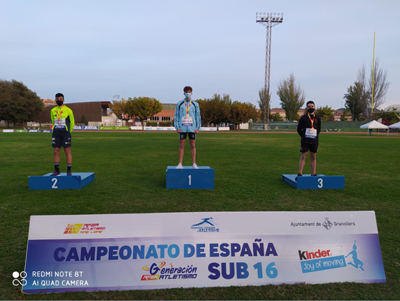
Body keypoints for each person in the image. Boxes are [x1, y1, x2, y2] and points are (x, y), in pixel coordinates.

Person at [174, 86, 201, 169]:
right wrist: (177, 127)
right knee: (181, 145)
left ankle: (193, 163)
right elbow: (176, 116)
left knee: (193, 145)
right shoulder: (180, 104)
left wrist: (197, 127)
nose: (187, 93)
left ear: (191, 93)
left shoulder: (195, 104)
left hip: (192, 128)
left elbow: (198, 116)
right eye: (186, 92)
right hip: (182, 128)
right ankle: (180, 163)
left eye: (189, 92)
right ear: (184, 93)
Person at [51, 93, 75, 176]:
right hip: (56, 132)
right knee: (56, 151)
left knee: (67, 150)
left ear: (63, 100)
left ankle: (69, 170)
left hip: (65, 133)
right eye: (57, 99)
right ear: (55, 100)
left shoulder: (68, 110)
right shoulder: (53, 110)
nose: (59, 100)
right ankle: (57, 171)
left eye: (61, 99)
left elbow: (72, 122)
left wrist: (68, 131)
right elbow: (52, 120)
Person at [296, 101, 321, 180]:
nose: (311, 108)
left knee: (313, 156)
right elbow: (299, 129)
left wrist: (314, 135)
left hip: (314, 140)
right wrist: (304, 136)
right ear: (307, 108)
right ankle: (300, 173)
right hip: (305, 141)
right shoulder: (303, 118)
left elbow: (319, 130)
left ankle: (313, 173)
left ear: (315, 108)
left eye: (312, 106)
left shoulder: (318, 118)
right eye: (309, 106)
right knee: (304, 155)